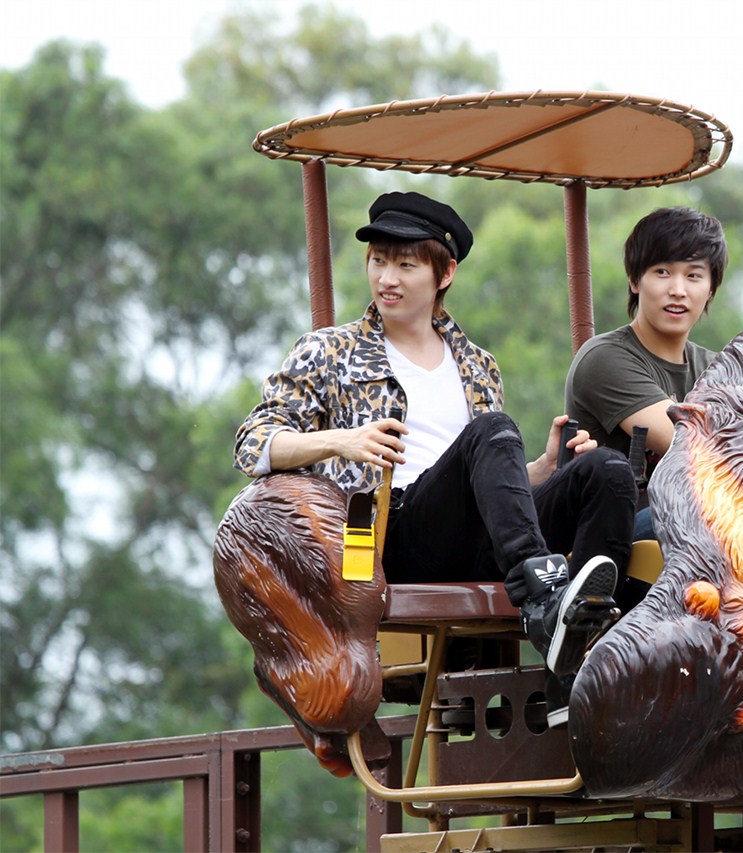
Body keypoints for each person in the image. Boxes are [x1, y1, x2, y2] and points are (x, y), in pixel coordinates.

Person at [235, 191, 637, 724]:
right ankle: (545, 602)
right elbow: (253, 443)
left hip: (475, 537)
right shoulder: (328, 351)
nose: (387, 279)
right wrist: (342, 441)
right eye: (379, 261)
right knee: (493, 429)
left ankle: (574, 664)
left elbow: (482, 477)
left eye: (406, 265)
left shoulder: (477, 365)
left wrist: (541, 470)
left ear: (444, 273)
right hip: (387, 536)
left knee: (606, 470)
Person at [564, 206, 743, 540]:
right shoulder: (605, 358)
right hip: (617, 534)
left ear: (711, 289)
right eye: (662, 272)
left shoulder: (712, 366)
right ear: (634, 280)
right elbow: (698, 448)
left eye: (693, 276)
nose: (678, 290)